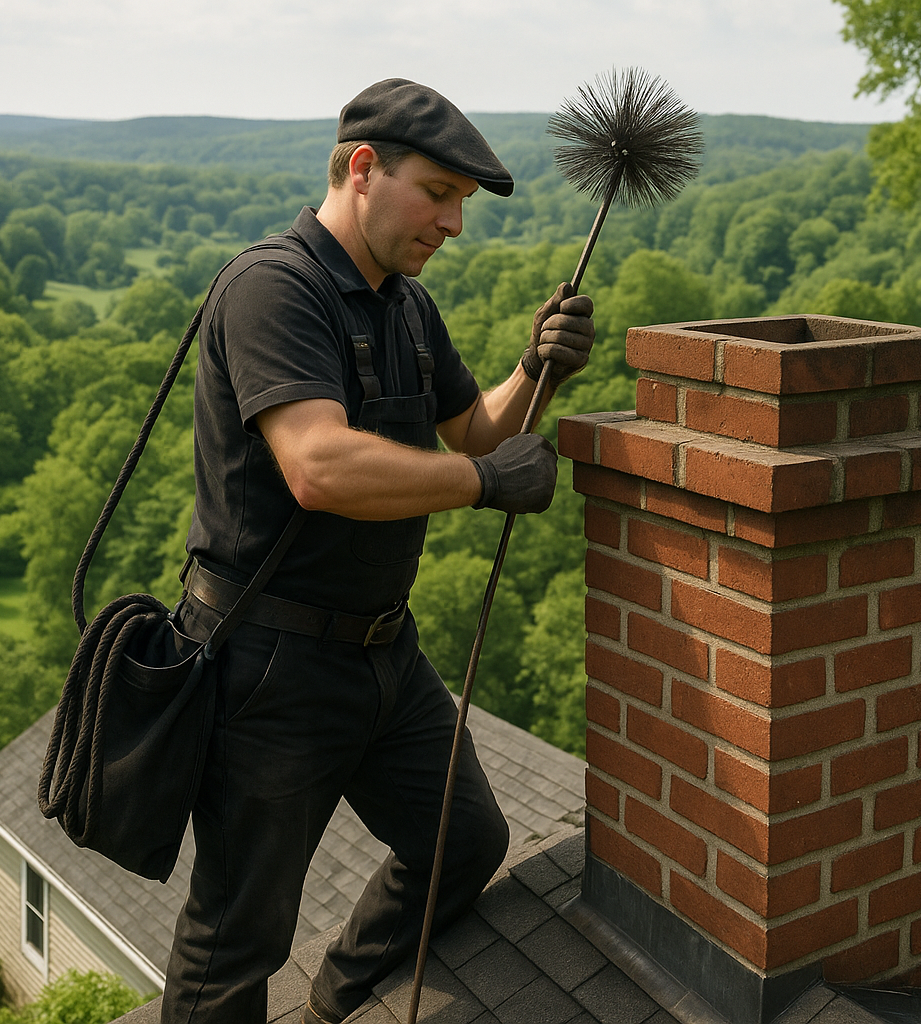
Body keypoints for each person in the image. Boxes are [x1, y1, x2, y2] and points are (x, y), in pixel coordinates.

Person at [162, 79, 596, 1024]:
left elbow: (476, 433)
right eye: (437, 193)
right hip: (269, 665)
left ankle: (334, 1005)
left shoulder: (404, 306)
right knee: (237, 936)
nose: (452, 223)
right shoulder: (274, 287)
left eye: (461, 203)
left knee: (462, 842)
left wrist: (537, 368)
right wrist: (486, 483)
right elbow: (319, 466)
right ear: (363, 169)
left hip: (384, 655)